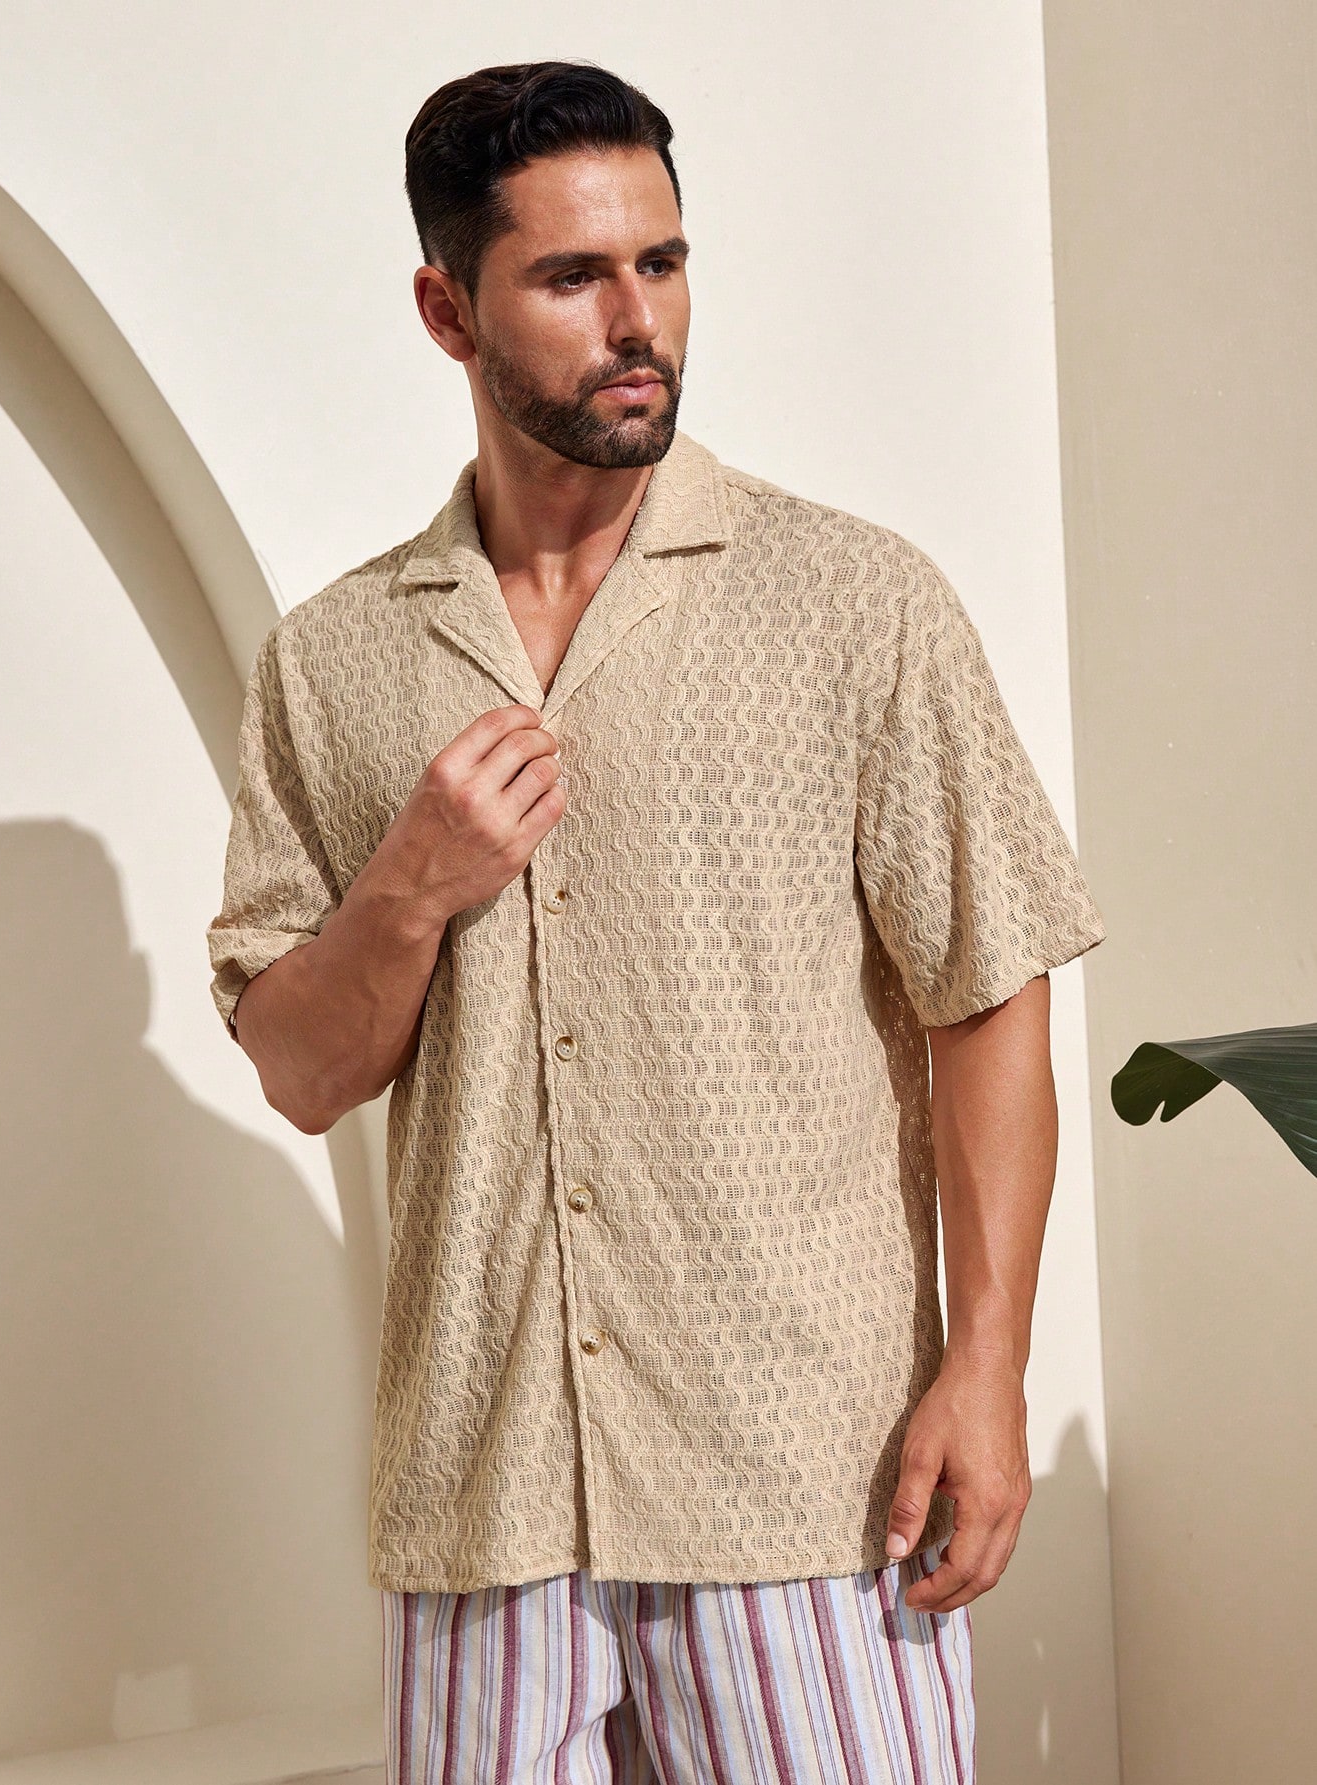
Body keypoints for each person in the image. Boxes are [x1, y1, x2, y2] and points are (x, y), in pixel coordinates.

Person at [207, 58, 1106, 1785]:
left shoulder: (855, 602)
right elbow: (305, 1071)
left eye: (664, 263)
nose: (640, 323)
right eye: (572, 277)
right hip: (484, 1505)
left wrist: (987, 1369)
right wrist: (412, 881)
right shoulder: (335, 661)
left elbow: (987, 995)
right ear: (446, 311)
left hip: (806, 1480)